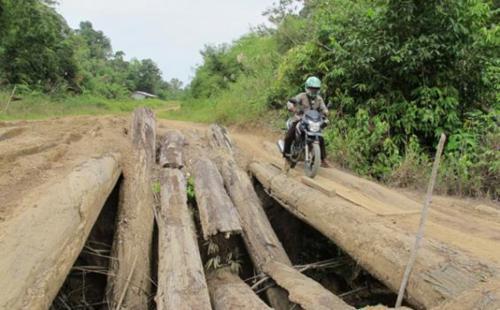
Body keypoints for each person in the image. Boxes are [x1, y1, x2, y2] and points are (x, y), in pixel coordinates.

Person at [283, 76, 331, 168]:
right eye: (311, 89)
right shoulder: (301, 96)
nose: (313, 91)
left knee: (320, 137)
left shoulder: (319, 99)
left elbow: (324, 108)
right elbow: (291, 102)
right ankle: (286, 156)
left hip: (313, 121)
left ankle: (323, 159)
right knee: (289, 135)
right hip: (300, 119)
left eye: (315, 89)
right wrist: (292, 107)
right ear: (307, 88)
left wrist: (326, 112)